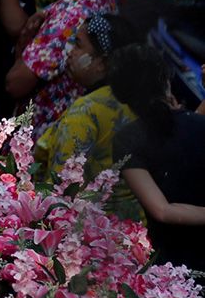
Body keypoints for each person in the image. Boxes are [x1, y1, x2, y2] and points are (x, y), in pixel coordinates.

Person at [115, 49, 205, 298]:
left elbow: (162, 210)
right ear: (167, 81)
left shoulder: (128, 139)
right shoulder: (196, 126)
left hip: (170, 275)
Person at [5, 0, 117, 134]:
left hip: (37, 139)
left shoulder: (70, 17)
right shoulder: (106, 0)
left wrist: (22, 46)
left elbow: (14, 84)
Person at [34, 15, 140, 220]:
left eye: (78, 45)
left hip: (77, 226)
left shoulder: (85, 113)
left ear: (102, 63)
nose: (70, 51)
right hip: (121, 227)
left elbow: (60, 189)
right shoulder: (134, 103)